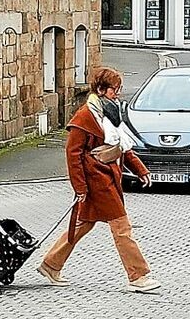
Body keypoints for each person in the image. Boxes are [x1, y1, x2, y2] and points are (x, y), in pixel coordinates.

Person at [37, 66, 161, 293]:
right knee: (122, 228)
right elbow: (73, 155)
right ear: (102, 89)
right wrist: (80, 187)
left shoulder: (110, 112)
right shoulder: (84, 116)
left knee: (82, 226)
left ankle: (51, 264)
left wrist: (141, 169)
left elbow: (121, 145)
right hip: (97, 182)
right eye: (115, 89)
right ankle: (138, 276)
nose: (118, 94)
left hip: (107, 178)